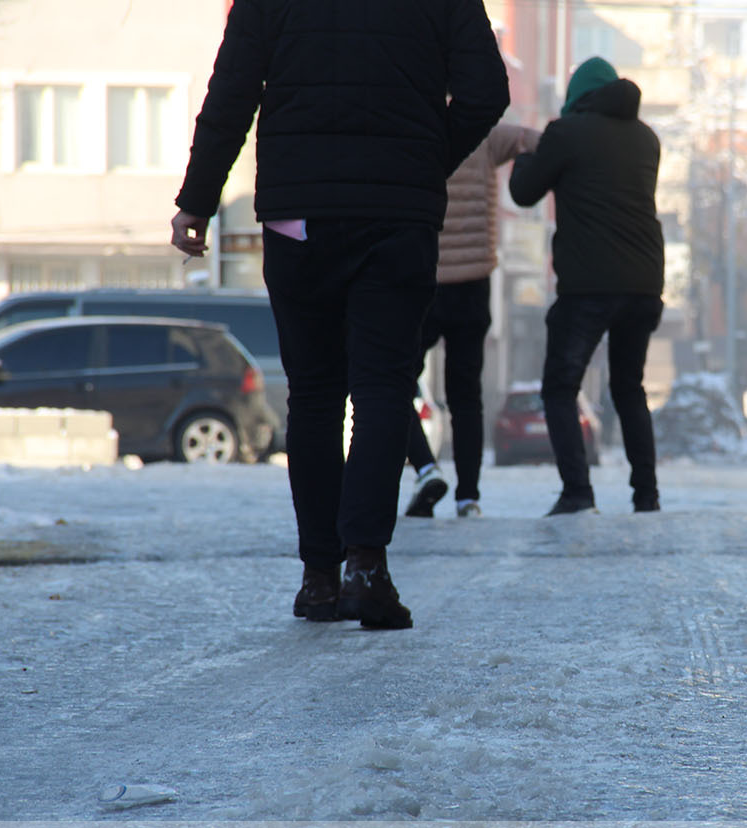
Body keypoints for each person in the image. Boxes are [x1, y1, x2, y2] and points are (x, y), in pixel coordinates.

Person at [170, 0, 508, 626]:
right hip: (397, 216)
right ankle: (367, 567)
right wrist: (426, 158)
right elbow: (487, 92)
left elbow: (233, 91)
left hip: (300, 214)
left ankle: (319, 577)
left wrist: (198, 199)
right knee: (383, 387)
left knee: (316, 394)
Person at [508, 57, 664, 516]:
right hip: (643, 282)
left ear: (577, 99)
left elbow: (523, 192)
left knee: (560, 388)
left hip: (589, 284)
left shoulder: (566, 133)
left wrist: (524, 154)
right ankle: (646, 495)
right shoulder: (647, 139)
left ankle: (578, 492)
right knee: (629, 388)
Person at [405, 122, 541, 520]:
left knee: (391, 378)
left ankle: (426, 467)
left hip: (422, 281)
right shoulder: (484, 134)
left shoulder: (412, 127)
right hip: (473, 286)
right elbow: (536, 141)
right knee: (466, 398)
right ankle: (469, 498)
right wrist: (520, 179)